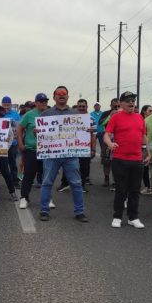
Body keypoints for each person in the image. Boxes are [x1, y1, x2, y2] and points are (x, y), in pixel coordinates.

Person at [38, 86, 89, 222]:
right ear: (54, 97)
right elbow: (39, 132)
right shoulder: (46, 114)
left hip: (70, 155)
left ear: (67, 97)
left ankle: (80, 212)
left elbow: (84, 131)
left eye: (64, 93)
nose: (61, 95)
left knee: (76, 183)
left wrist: (87, 130)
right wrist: (37, 132)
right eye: (58, 93)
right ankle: (44, 210)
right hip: (51, 155)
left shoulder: (76, 114)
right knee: (47, 182)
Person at [104, 91, 149, 229]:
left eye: (133, 101)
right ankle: (117, 216)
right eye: (128, 100)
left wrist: (148, 152)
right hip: (120, 159)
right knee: (121, 190)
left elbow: (143, 136)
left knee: (135, 190)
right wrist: (110, 144)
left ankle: (133, 217)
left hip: (137, 159)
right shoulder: (116, 117)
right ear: (121, 103)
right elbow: (107, 135)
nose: (131, 103)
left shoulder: (140, 118)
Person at [17, 93, 53, 210]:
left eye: (45, 101)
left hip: (47, 151)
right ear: (36, 103)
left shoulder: (51, 114)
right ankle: (24, 197)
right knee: (28, 175)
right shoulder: (29, 115)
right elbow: (20, 128)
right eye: (41, 101)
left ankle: (47, 198)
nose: (44, 103)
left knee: (46, 175)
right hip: (32, 150)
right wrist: (21, 143)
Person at [98, 98, 120, 188]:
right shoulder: (106, 113)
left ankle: (116, 180)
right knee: (106, 160)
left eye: (118, 106)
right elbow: (101, 123)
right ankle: (106, 178)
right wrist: (110, 116)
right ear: (111, 106)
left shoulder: (123, 113)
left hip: (119, 139)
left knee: (117, 161)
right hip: (108, 138)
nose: (116, 107)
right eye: (115, 106)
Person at [1, 96, 21, 189]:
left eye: (8, 105)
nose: (6, 107)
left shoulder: (15, 114)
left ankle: (15, 180)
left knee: (12, 163)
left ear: (10, 104)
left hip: (12, 144)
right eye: (4, 105)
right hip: (1, 144)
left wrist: (18, 141)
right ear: (2, 104)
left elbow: (19, 128)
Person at [76, 99, 97, 191]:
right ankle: (68, 184)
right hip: (72, 147)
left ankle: (82, 185)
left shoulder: (92, 119)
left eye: (83, 106)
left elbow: (94, 136)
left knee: (84, 167)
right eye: (79, 106)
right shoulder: (70, 119)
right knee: (72, 167)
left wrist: (93, 149)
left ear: (87, 107)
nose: (81, 108)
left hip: (85, 147)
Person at [139, 104, 152, 195]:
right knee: (144, 168)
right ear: (144, 111)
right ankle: (147, 187)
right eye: (149, 111)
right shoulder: (142, 120)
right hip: (143, 147)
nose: (151, 112)